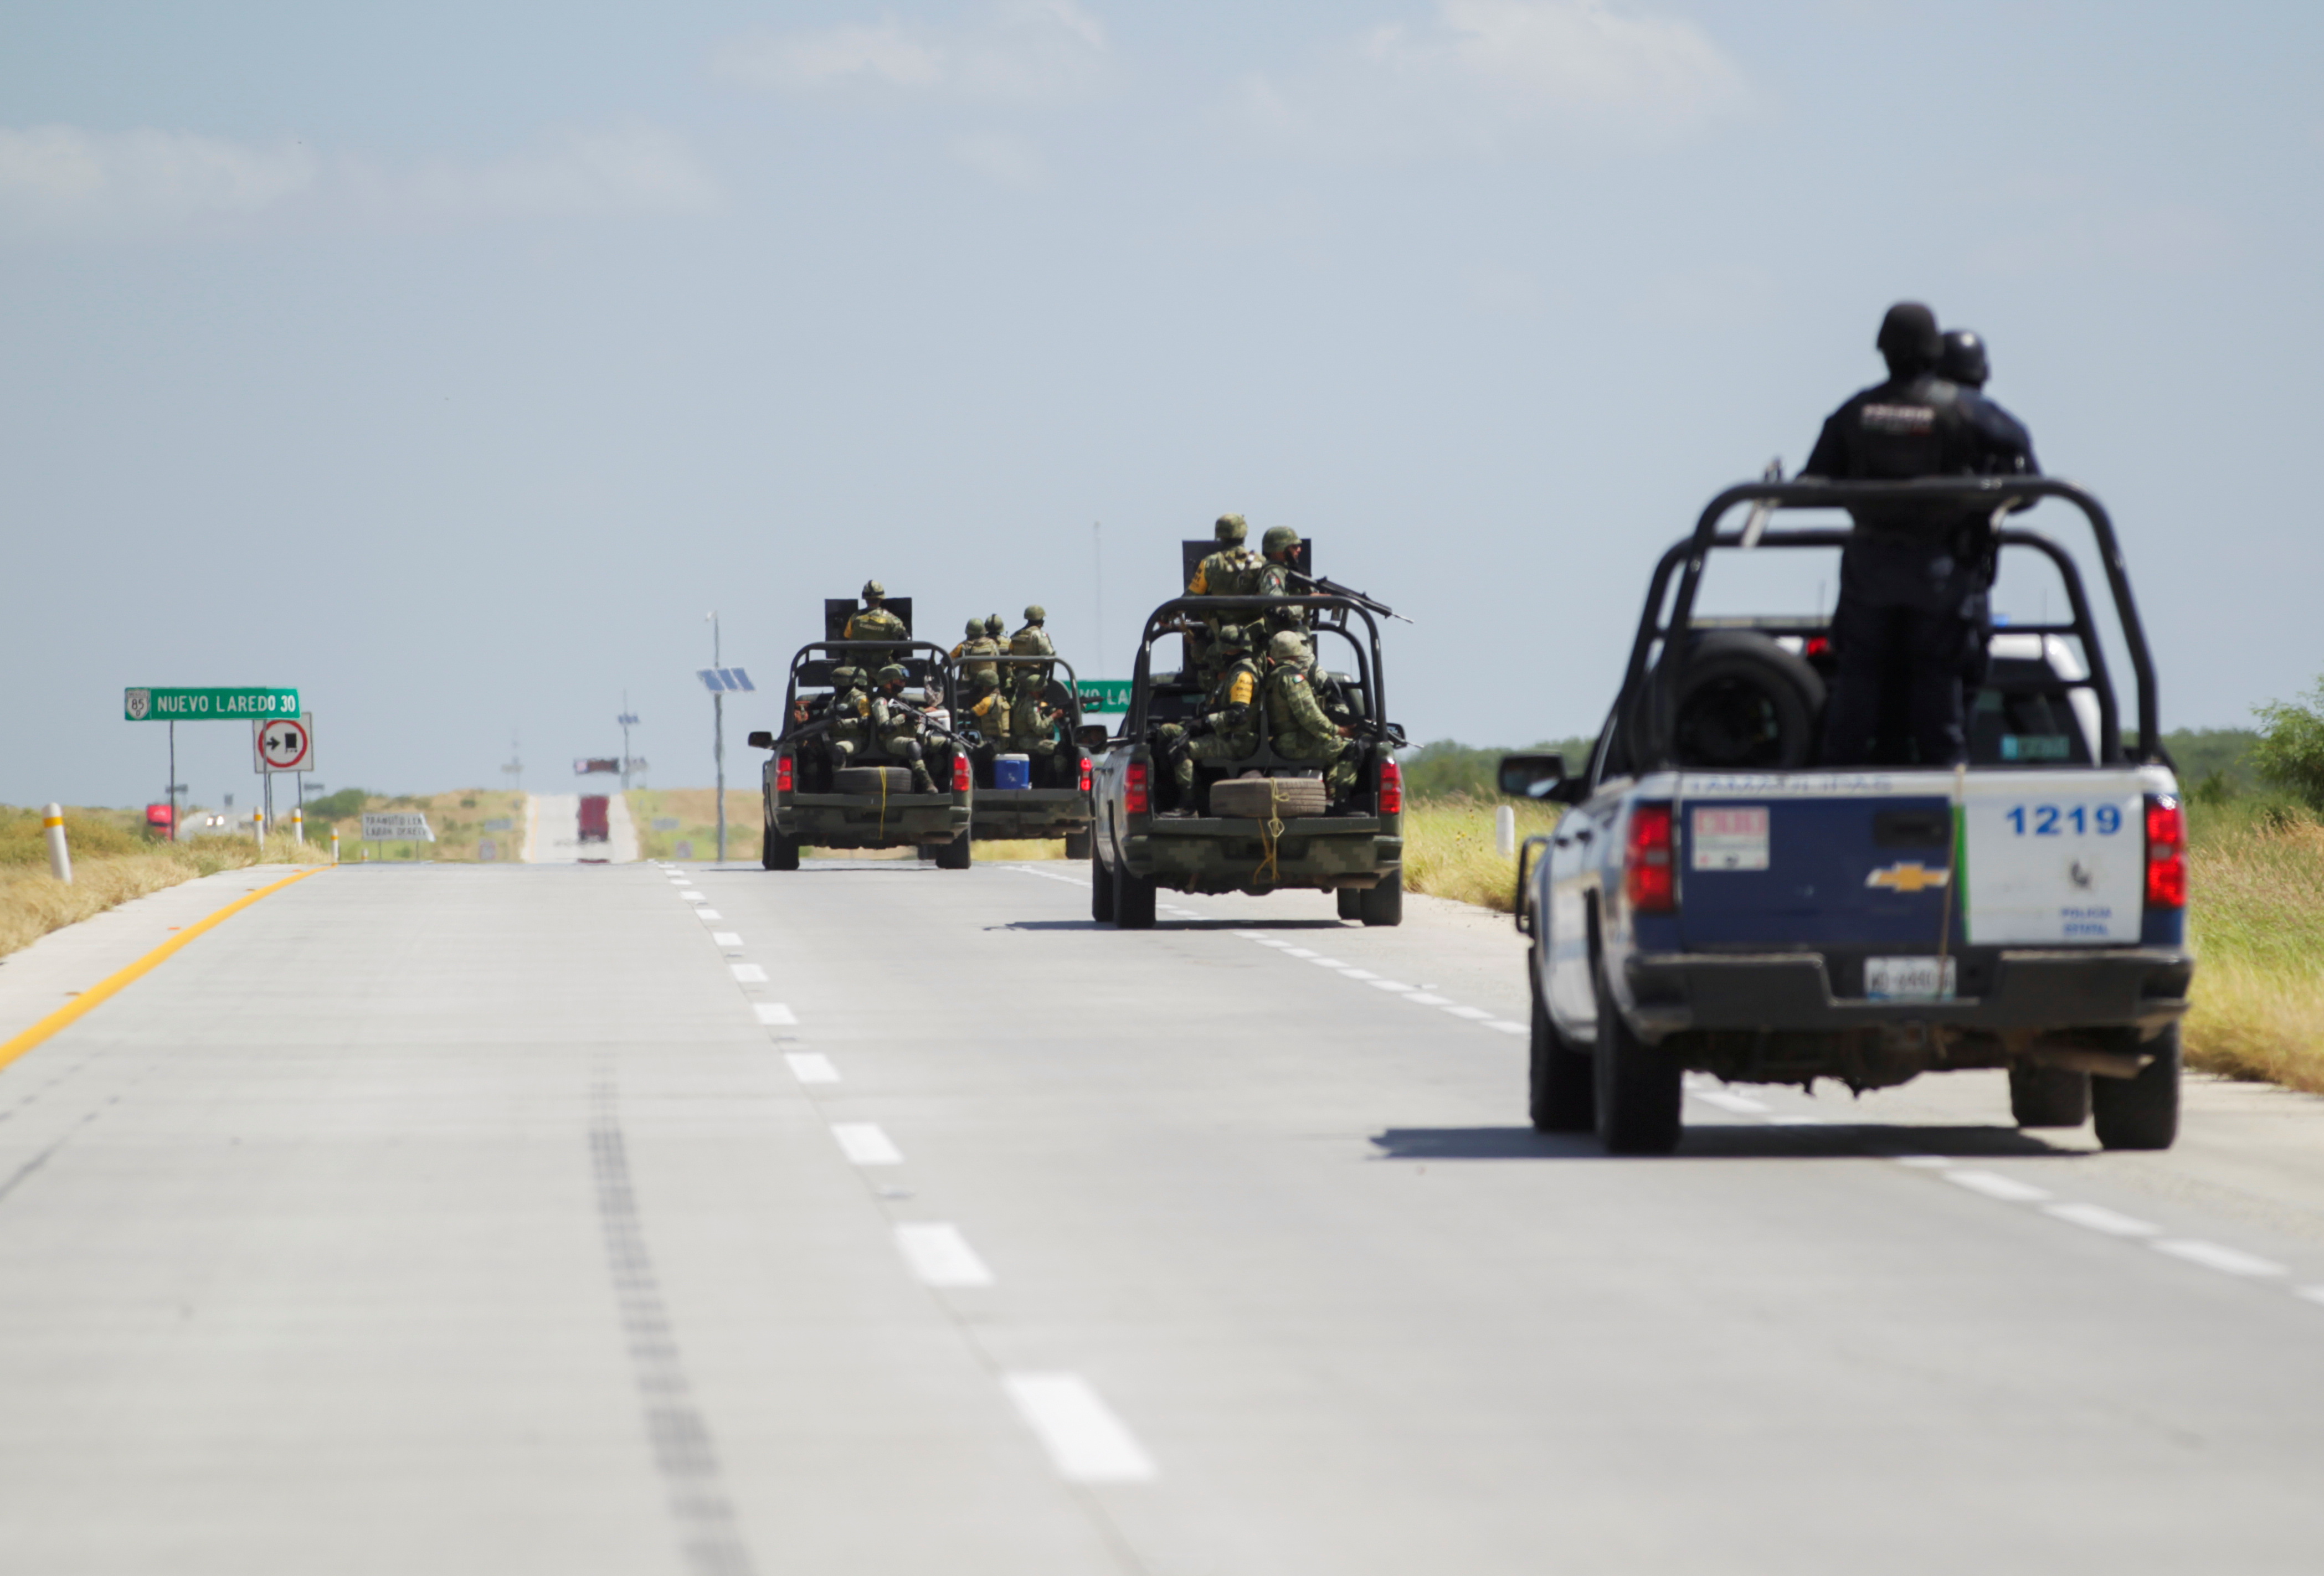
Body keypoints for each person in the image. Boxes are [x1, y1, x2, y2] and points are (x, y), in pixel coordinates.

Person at [1801, 302, 2038, 767]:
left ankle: (1841, 784)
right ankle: (1946, 795)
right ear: (1934, 351)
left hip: (1870, 572)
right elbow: (2025, 468)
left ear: (1883, 351)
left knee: (1859, 681)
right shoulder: (1966, 410)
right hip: (1940, 575)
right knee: (1938, 685)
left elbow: (1814, 479)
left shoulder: (1856, 411)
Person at [1154, 621, 1262, 799]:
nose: (1222, 655)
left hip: (1238, 742)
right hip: (1226, 735)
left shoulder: (1243, 675)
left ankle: (1188, 804)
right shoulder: (1232, 673)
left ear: (1233, 650)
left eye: (1224, 650)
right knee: (1167, 732)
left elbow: (1238, 716)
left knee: (1181, 749)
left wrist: (1205, 723)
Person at [1259, 630, 1356, 797]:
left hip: (1282, 741)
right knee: (1351, 747)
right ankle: (1339, 798)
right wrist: (1339, 731)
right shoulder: (1293, 679)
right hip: (1294, 743)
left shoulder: (1271, 676)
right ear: (1298, 651)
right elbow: (1310, 717)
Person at [869, 664, 938, 794]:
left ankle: (938, 778)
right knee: (913, 745)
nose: (903, 683)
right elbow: (885, 727)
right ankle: (927, 782)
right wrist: (904, 716)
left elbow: (915, 717)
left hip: (909, 736)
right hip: (889, 741)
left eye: (904, 680)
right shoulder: (881, 701)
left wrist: (924, 721)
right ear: (888, 683)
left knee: (946, 744)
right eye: (900, 680)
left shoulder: (900, 700)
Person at [844, 580, 909, 672]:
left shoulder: (855, 617)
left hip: (856, 670)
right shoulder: (892, 620)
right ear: (882, 598)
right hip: (882, 669)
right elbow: (905, 639)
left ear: (865, 599)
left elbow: (847, 636)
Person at [1008, 605, 1056, 686]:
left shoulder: (1016, 635)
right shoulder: (1039, 635)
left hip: (1017, 677)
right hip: (1035, 679)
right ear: (1040, 619)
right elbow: (1049, 655)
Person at [952, 617, 999, 687]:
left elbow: (946, 661)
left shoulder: (962, 646)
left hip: (972, 684)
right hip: (992, 683)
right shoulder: (993, 644)